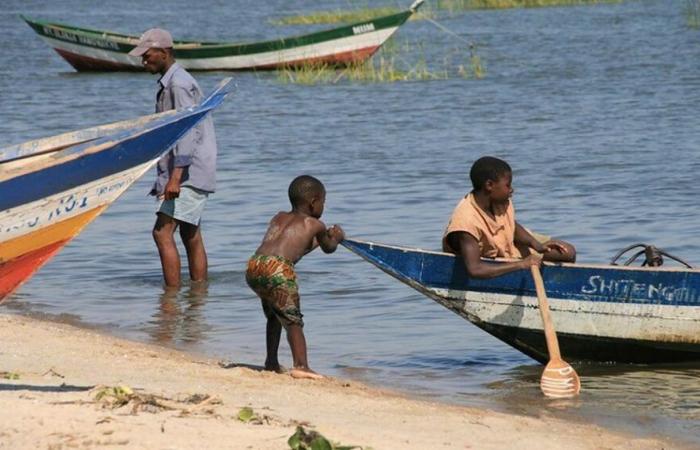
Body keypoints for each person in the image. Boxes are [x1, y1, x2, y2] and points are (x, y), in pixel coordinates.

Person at [129, 28, 218, 288]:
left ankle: (171, 300)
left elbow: (187, 132)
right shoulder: (174, 81)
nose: (143, 61)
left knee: (162, 232)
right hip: (191, 169)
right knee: (190, 233)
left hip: (187, 172)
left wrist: (175, 178)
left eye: (147, 55)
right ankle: (198, 296)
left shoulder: (178, 84)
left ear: (164, 52)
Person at [246, 175, 345, 380]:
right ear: (313, 202)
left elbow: (294, 246)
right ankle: (301, 365)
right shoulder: (315, 224)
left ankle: (271, 361)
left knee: (274, 315)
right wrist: (336, 237)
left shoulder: (279, 217)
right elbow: (328, 248)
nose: (323, 206)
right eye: (323, 202)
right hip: (279, 269)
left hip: (256, 264)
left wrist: (320, 241)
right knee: (293, 321)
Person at [442, 156, 576, 279]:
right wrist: (522, 265)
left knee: (567, 252)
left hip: (509, 244)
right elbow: (475, 269)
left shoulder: (500, 200)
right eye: (508, 185)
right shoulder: (466, 221)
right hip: (491, 257)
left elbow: (511, 225)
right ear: (489, 185)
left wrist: (536, 245)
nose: (512, 190)